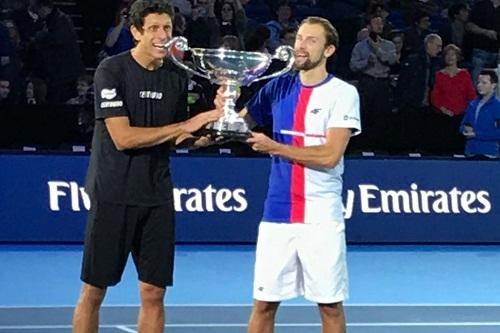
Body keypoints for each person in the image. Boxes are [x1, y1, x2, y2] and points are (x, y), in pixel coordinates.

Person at [72, 1, 223, 332]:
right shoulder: (111, 70)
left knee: (154, 292)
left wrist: (208, 135)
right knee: (95, 290)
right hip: (113, 192)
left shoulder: (176, 76)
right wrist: (185, 126)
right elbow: (123, 137)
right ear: (135, 31)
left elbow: (173, 139)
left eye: (167, 28)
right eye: (153, 28)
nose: (161, 35)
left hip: (156, 194)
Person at [237, 16, 361, 333]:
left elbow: (330, 155)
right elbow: (239, 124)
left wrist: (275, 147)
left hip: (320, 215)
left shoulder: (343, 93)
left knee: (330, 307)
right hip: (277, 213)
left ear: (329, 49)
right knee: (263, 305)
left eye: (310, 40)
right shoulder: (277, 86)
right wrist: (208, 127)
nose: (300, 46)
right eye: (299, 38)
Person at [460, 69, 500, 159]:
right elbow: (463, 125)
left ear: (493, 85)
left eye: (484, 83)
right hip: (470, 153)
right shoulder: (472, 104)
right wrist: (465, 130)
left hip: (490, 154)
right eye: (478, 82)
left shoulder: (498, 107)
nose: (479, 86)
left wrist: (477, 134)